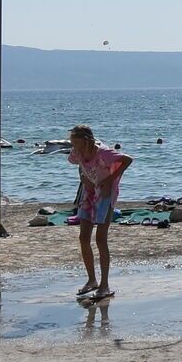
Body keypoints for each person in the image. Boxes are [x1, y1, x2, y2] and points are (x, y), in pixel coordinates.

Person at [67, 125, 133, 301]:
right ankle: (92, 280)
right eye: (72, 142)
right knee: (83, 237)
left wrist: (109, 180)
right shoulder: (77, 152)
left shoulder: (103, 152)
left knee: (100, 238)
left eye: (76, 142)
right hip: (88, 193)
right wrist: (83, 178)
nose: (73, 146)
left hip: (105, 194)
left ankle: (105, 285)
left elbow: (127, 160)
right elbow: (78, 164)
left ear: (86, 140)